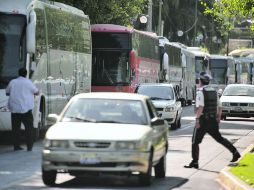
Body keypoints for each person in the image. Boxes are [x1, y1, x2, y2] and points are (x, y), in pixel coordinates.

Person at [184, 71, 240, 169]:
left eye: (198, 80)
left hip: (203, 121)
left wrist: (197, 119)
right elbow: (220, 106)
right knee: (219, 138)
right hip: (212, 120)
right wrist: (218, 117)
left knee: (195, 142)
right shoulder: (214, 91)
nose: (198, 82)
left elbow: (200, 107)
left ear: (201, 81)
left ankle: (195, 161)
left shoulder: (200, 92)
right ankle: (235, 152)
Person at [6, 68, 39, 151]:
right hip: (26, 110)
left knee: (16, 129)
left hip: (15, 109)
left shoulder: (12, 82)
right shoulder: (28, 82)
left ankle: (16, 146)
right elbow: (36, 92)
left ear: (18, 73)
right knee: (29, 129)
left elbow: (7, 92)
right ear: (26, 74)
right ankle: (29, 147)